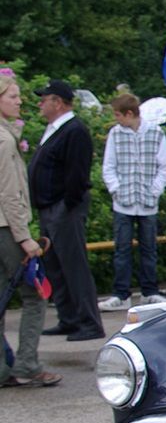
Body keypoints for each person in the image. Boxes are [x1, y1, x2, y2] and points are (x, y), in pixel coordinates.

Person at [27, 80, 104, 340]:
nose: (40, 103)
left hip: (64, 208)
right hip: (50, 207)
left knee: (73, 266)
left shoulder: (74, 131)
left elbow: (76, 173)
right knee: (56, 265)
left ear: (58, 102)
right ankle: (69, 317)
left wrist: (67, 204)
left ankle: (89, 322)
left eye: (44, 99)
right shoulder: (55, 129)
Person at [0, 72, 61, 386]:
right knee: (35, 296)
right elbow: (9, 194)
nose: (20, 100)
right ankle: (26, 364)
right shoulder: (4, 139)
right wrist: (25, 238)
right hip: (6, 229)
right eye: (12, 96)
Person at [99, 93, 166, 310]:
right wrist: (116, 190)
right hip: (123, 202)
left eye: (118, 114)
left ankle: (150, 291)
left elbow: (165, 166)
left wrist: (155, 190)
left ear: (130, 114)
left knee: (149, 248)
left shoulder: (155, 132)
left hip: (148, 202)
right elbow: (109, 166)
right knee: (122, 249)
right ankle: (121, 294)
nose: (116, 118)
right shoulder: (115, 134)